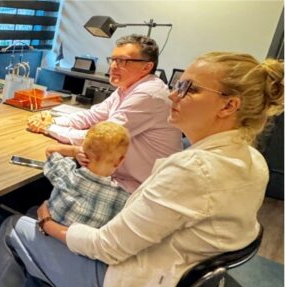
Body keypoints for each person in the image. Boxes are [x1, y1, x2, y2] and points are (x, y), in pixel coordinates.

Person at [0, 51, 282, 287]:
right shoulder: (253, 161)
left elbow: (107, 247)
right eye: (178, 84)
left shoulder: (192, 170)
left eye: (189, 88)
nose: (173, 94)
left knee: (16, 226)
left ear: (229, 106)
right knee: (54, 223)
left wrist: (48, 224)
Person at [27, 34, 183, 193]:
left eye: (122, 61)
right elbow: (92, 116)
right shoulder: (127, 88)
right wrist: (53, 120)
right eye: (113, 59)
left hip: (137, 189)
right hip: (118, 177)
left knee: (41, 184)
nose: (113, 66)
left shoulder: (149, 95)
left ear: (146, 67)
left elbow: (99, 140)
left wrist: (47, 128)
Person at [42, 121, 130, 229]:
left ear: (83, 149)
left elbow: (50, 150)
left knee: (26, 212)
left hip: (47, 231)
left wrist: (74, 151)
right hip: (81, 239)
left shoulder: (66, 172)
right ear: (120, 161)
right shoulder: (122, 198)